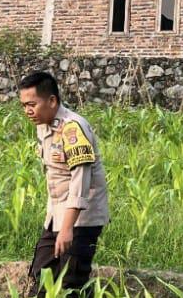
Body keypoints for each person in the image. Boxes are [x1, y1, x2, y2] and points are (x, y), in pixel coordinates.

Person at [19, 71, 109, 298]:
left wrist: (68, 228)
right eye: (24, 106)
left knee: (71, 282)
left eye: (32, 104)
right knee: (40, 276)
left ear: (52, 101)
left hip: (82, 218)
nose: (27, 111)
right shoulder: (43, 125)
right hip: (56, 214)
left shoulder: (72, 128)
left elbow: (81, 181)